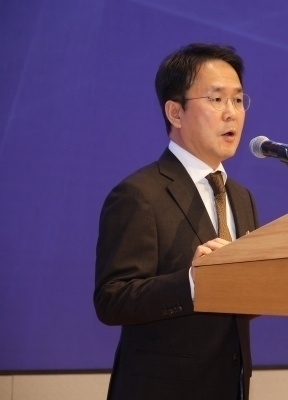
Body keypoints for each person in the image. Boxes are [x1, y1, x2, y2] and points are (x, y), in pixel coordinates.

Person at [94, 43, 258, 400]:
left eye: (238, 100)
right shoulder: (139, 194)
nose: (231, 113)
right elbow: (112, 299)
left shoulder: (241, 197)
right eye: (216, 99)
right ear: (175, 112)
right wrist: (193, 282)